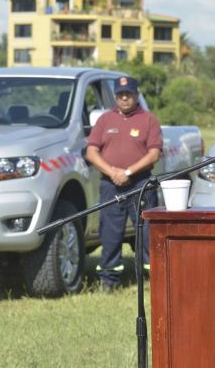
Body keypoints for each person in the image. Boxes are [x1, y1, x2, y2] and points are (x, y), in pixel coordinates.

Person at [86, 76, 162, 291]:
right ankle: (109, 280)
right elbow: (91, 152)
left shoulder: (148, 120)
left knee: (147, 232)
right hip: (111, 185)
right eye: (120, 94)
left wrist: (129, 171)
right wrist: (112, 172)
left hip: (140, 184)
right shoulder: (104, 120)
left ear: (136, 95)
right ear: (115, 96)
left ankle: (152, 278)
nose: (125, 98)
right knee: (110, 233)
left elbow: (154, 153)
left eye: (129, 94)